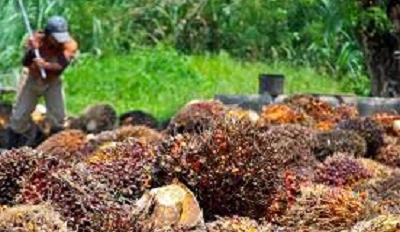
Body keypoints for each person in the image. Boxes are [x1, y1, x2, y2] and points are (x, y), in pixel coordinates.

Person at [7, 16, 78, 148]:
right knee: (19, 117)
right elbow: (25, 62)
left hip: (52, 82)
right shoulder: (36, 41)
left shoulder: (69, 45)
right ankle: (13, 150)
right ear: (48, 34)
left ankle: (58, 149)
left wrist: (45, 65)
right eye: (55, 38)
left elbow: (61, 66)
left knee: (59, 118)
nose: (58, 41)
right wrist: (32, 51)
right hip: (32, 79)